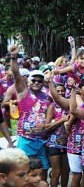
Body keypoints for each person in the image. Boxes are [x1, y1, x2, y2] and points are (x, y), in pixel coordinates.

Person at [8, 45, 51, 181]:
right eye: (34, 80)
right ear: (28, 81)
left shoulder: (47, 97)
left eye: (40, 80)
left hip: (41, 141)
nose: (37, 82)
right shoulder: (24, 92)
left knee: (43, 170)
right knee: (24, 171)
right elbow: (16, 74)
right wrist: (14, 57)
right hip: (26, 140)